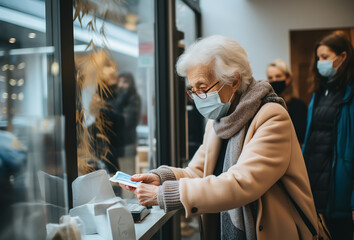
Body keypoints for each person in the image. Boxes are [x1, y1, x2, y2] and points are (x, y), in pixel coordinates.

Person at [121, 35, 319, 240]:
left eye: (203, 88)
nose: (198, 97)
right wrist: (162, 178)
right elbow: (197, 171)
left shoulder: (272, 117)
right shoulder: (217, 122)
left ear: (234, 81)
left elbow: (240, 184)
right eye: (193, 90)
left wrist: (166, 194)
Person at [302, 32, 354, 240]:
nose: (320, 62)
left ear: (343, 56)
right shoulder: (319, 92)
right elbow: (310, 142)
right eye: (318, 58)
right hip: (313, 188)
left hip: (340, 193)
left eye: (325, 57)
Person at [266, 59, 307, 145]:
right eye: (270, 78)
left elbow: (300, 135)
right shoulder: (265, 103)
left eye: (278, 76)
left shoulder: (298, 105)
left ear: (288, 78)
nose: (274, 80)